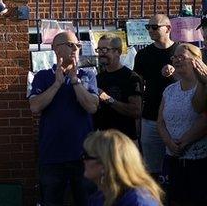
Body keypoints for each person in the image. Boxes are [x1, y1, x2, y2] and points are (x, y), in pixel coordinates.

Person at [28, 31, 99, 206]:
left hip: (83, 156)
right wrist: (57, 83)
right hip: (52, 156)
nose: (75, 48)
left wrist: (74, 80)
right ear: (55, 49)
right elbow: (35, 107)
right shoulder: (43, 76)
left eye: (78, 45)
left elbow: (91, 106)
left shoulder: (87, 76)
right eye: (70, 45)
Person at [157, 43, 207, 206]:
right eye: (174, 57)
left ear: (196, 60)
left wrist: (183, 142)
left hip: (197, 160)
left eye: (181, 57)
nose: (176, 60)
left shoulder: (202, 87)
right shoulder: (170, 90)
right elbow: (160, 122)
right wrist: (170, 143)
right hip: (172, 158)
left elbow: (204, 118)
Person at [133, 14, 178, 177]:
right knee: (152, 168)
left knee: (176, 163)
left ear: (168, 29)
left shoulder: (180, 52)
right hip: (151, 115)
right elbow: (137, 85)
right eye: (148, 27)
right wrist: (138, 117)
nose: (150, 30)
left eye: (154, 27)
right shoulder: (143, 55)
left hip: (177, 116)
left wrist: (176, 72)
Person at [83, 130, 163, 206]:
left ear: (105, 163)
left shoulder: (138, 200)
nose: (83, 160)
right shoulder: (99, 197)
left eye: (87, 156)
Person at [93, 34, 142, 141]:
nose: (101, 53)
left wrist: (108, 99)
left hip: (124, 140)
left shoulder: (131, 77)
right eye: (99, 50)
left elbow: (136, 111)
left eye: (105, 50)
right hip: (102, 139)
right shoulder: (98, 78)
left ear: (118, 52)